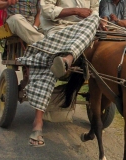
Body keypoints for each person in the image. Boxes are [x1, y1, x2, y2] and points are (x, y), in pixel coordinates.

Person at [16, 0, 100, 147]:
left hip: (84, 30)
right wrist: (75, 11)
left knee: (95, 19)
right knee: (51, 60)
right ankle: (38, 121)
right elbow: (47, 9)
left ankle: (69, 58)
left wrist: (96, 19)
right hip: (58, 29)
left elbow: (95, 12)